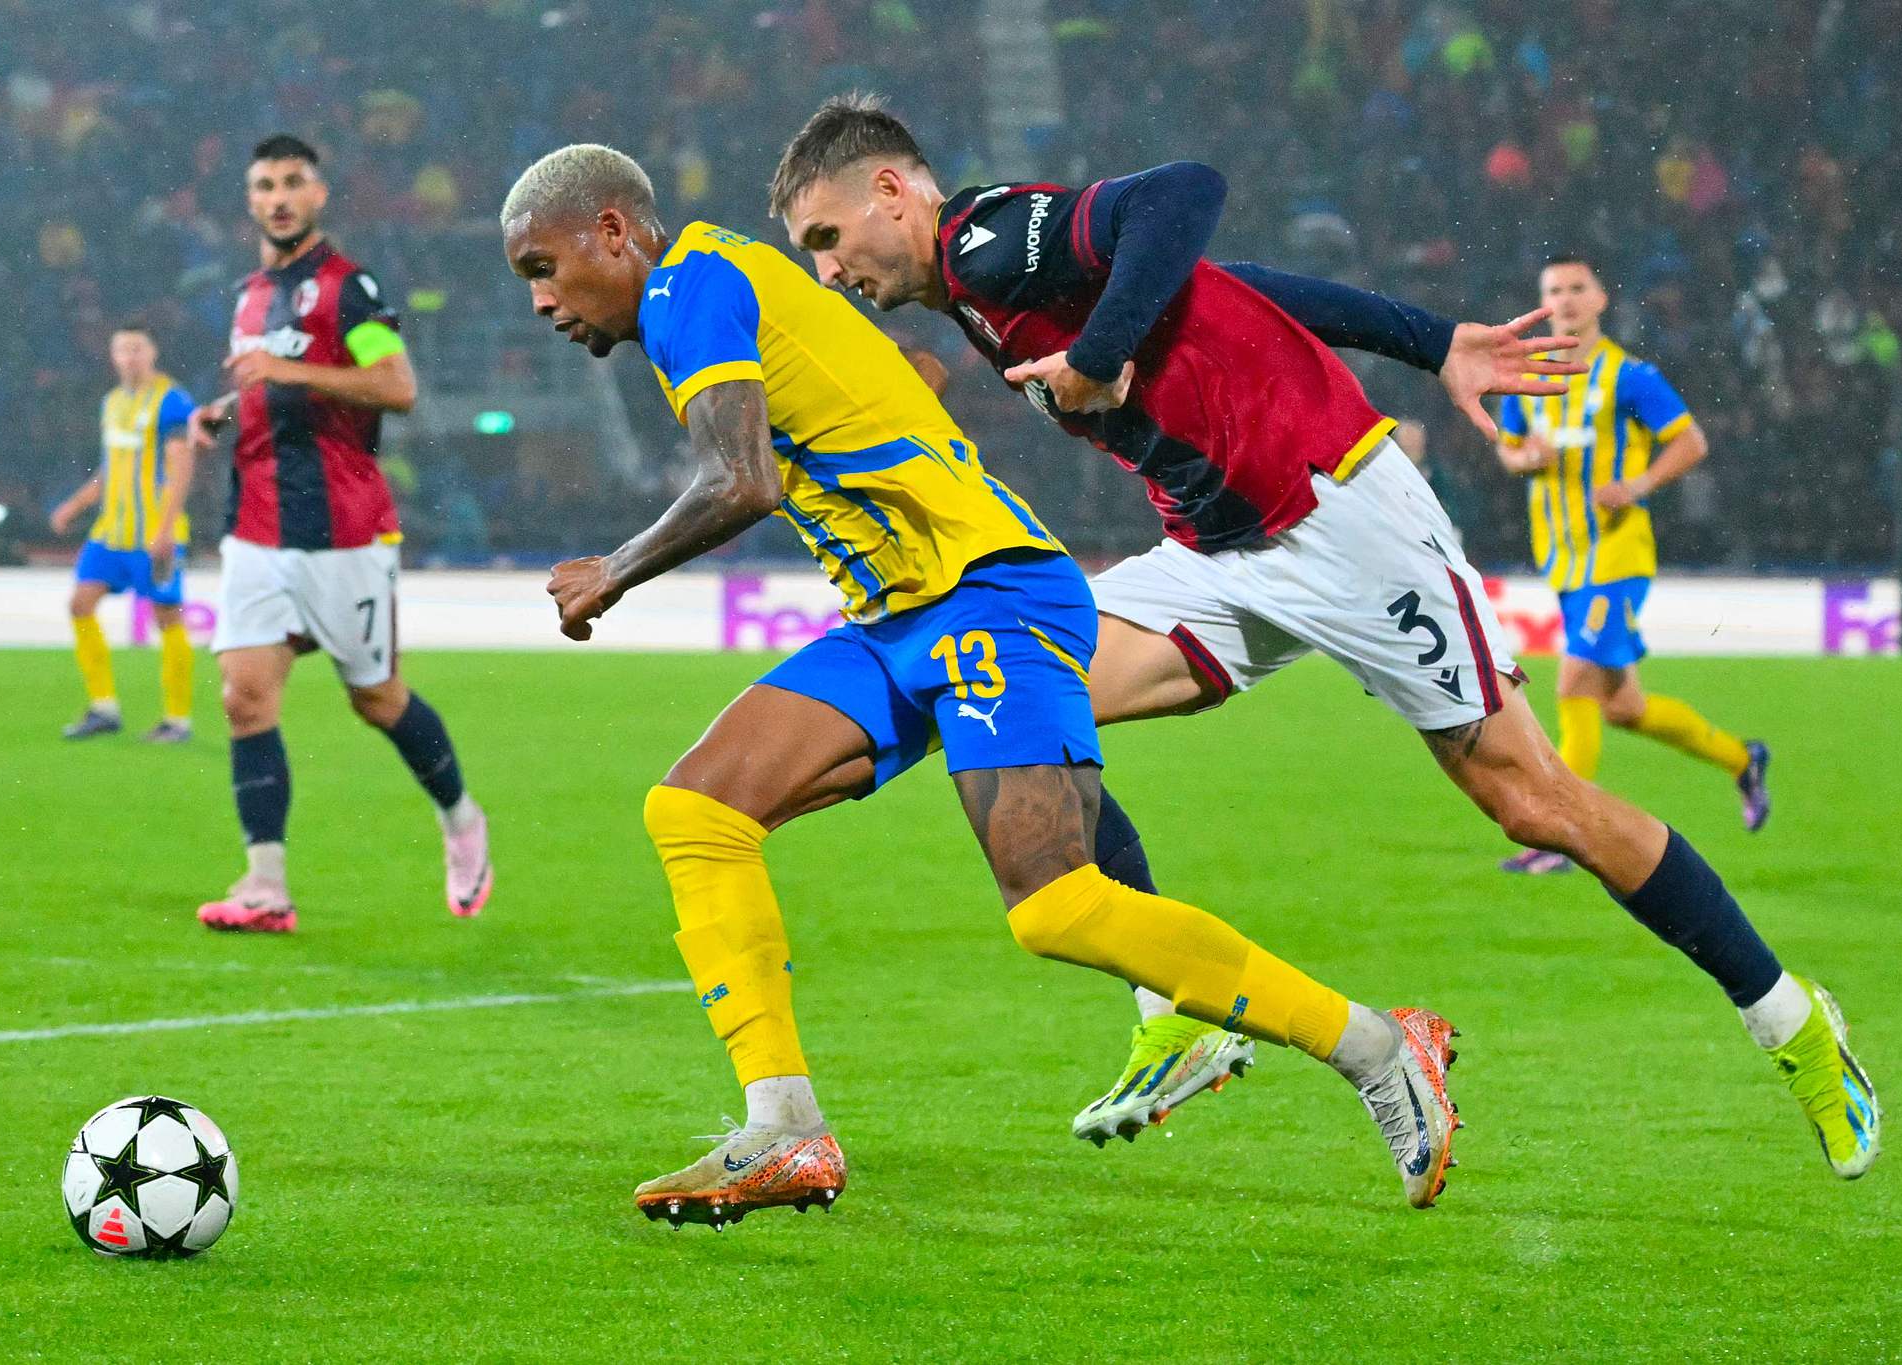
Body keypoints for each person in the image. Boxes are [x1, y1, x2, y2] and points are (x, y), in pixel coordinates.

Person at [768, 94, 1879, 1181]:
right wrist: (1430, 339)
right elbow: (1227, 289)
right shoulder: (974, 290)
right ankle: (1173, 1016)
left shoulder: (983, 241)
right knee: (1022, 688)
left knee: (1535, 801)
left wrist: (1102, 355)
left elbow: (1182, 195)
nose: (828, 270)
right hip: (1217, 549)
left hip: (1336, 519)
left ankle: (1794, 1027)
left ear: (891, 189)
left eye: (828, 237)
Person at [502, 144, 1464, 1226]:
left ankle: (1380, 1046)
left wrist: (609, 573)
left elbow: (740, 480)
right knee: (695, 809)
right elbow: (888, 382)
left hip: (986, 597)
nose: (539, 299)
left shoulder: (690, 290)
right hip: (895, 615)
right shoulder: (727, 280)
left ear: (614, 233)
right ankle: (783, 1130)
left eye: (542, 264)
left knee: (1055, 907)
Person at [186, 134, 491, 933]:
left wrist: (289, 372)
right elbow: (264, 390)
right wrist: (221, 413)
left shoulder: (348, 289)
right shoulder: (248, 296)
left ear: (319, 195)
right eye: (264, 185)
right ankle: (265, 887)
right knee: (244, 698)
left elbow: (396, 385)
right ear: (249, 199)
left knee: (378, 699)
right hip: (255, 528)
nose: (279, 196)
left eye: (293, 183)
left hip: (344, 533)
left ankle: (461, 819)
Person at [1494, 257, 1772, 875]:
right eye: (1552, 290)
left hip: (1615, 556)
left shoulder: (1630, 376)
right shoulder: (1532, 375)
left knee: (1571, 686)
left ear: (1600, 299)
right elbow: (1508, 450)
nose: (1564, 299)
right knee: (1623, 709)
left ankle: (1560, 835)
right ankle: (1741, 760)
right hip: (1563, 557)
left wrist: (1637, 483)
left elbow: (1691, 442)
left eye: (1576, 289)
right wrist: (1526, 458)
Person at [50, 323, 199, 743]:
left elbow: (181, 466)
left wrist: (167, 529)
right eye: (122, 349)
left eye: (137, 348)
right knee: (81, 604)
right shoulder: (112, 403)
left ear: (153, 352)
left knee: (166, 618)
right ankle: (103, 709)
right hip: (111, 532)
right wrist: (74, 506)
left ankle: (177, 721)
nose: (130, 357)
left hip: (154, 532)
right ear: (112, 355)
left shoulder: (172, 400)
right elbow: (109, 469)